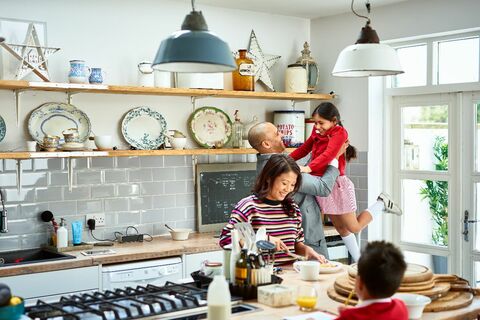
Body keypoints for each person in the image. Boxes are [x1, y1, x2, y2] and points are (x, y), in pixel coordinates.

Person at [289, 102, 402, 262]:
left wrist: (308, 168)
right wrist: (286, 160)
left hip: (337, 184)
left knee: (354, 227)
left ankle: (381, 203)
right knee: (341, 228)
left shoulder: (340, 133)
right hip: (323, 184)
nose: (317, 126)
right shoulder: (316, 131)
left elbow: (329, 155)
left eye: (321, 123)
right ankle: (358, 262)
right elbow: (304, 148)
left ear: (334, 121)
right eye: (315, 122)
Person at [248, 122, 344, 258]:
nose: (282, 134)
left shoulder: (267, 165)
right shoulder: (281, 169)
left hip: (296, 239)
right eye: (277, 133)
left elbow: (303, 171)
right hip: (307, 240)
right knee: (321, 276)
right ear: (266, 144)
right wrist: (335, 158)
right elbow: (323, 188)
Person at [219, 154, 326, 265]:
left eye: (292, 184)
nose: (288, 189)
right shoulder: (249, 206)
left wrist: (307, 251)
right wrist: (264, 239)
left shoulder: (293, 209)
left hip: (291, 276)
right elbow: (226, 239)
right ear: (269, 178)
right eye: (284, 183)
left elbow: (296, 244)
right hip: (260, 276)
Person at [336, 241, 408, 320]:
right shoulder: (401, 308)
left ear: (360, 283)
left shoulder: (349, 317)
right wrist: (355, 311)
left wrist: (347, 315)